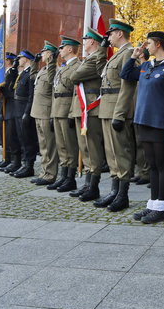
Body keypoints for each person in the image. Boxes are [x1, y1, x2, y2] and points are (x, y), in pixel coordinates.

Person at [120, 31, 164, 223]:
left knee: (163, 166)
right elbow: (126, 74)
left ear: (159, 44)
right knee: (152, 165)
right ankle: (152, 204)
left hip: (161, 123)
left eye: (149, 43)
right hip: (144, 121)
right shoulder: (146, 65)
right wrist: (133, 56)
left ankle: (161, 208)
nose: (146, 46)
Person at [95, 19, 137, 210]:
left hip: (116, 110)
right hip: (106, 108)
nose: (108, 37)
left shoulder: (128, 53)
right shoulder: (116, 55)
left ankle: (123, 195)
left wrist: (119, 114)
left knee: (121, 153)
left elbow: (127, 87)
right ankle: (114, 191)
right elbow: (99, 72)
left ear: (120, 33)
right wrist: (102, 50)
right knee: (111, 154)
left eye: (110, 34)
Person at [68, 29, 108, 202]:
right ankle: (87, 183)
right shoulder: (88, 60)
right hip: (81, 108)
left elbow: (74, 76)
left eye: (85, 40)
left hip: (91, 108)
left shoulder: (95, 60)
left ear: (92, 41)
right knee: (84, 148)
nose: (83, 43)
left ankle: (94, 186)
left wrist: (76, 76)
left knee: (92, 149)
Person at [47, 37, 81, 192]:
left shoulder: (77, 66)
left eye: (62, 48)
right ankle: (63, 175)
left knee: (70, 146)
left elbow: (76, 92)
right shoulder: (62, 67)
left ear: (69, 49)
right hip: (57, 109)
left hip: (67, 109)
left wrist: (72, 114)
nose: (59, 50)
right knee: (61, 146)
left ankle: (70, 178)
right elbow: (52, 84)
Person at [29, 41, 58, 185]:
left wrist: (53, 62)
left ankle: (50, 174)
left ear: (51, 55)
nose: (41, 54)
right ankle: (44, 172)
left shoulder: (53, 69)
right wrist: (34, 63)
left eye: (44, 52)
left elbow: (52, 80)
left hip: (46, 112)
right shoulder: (43, 69)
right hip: (38, 111)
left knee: (49, 146)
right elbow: (33, 76)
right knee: (43, 146)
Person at [12, 50, 38, 178]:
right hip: (18, 109)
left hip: (24, 109)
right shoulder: (22, 74)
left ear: (26, 59)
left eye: (20, 58)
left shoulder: (30, 74)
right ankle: (23, 164)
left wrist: (27, 112)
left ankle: (29, 166)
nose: (18, 60)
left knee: (28, 139)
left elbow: (31, 95)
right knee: (21, 138)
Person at [0, 53, 20, 170]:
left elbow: (11, 91)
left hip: (11, 107)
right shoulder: (6, 73)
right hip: (4, 107)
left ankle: (14, 161)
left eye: (4, 60)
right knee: (4, 135)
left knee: (11, 136)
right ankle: (6, 158)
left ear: (8, 61)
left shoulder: (12, 73)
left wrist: (2, 90)